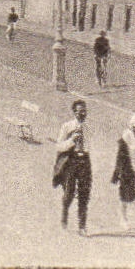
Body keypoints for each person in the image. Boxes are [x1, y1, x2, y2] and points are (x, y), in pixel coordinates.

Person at [53, 98, 93, 234]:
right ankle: (64, 214)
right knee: (69, 193)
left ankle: (82, 226)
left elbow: (90, 146)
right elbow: (59, 146)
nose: (83, 114)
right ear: (74, 112)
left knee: (84, 194)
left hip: (85, 161)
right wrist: (71, 140)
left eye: (85, 111)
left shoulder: (88, 128)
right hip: (71, 161)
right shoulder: (67, 126)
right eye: (80, 112)